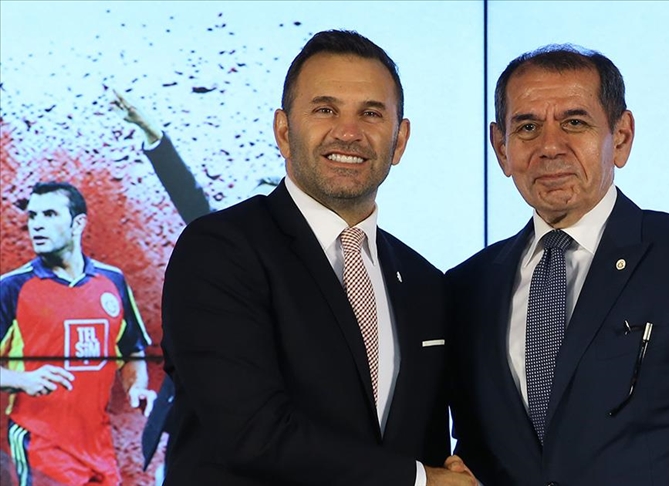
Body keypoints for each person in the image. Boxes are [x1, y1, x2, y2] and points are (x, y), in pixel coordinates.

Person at [447, 45, 669, 485]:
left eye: (574, 123)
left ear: (620, 137)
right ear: (501, 148)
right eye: (528, 127)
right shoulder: (467, 287)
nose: (549, 147)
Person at [160, 30, 475, 485]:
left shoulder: (425, 282)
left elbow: (426, 444)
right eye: (325, 109)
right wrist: (420, 480)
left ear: (400, 140)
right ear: (284, 131)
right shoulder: (219, 250)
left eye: (371, 113)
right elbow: (251, 433)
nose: (348, 132)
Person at [112, 89, 280, 471]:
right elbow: (191, 200)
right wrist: (155, 136)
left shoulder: (309, 286)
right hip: (192, 439)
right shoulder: (224, 258)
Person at [0, 181, 156, 485]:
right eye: (32, 216)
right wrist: (23, 380)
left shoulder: (112, 282)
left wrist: (136, 388)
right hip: (40, 445)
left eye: (49, 214)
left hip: (98, 447)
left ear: (78, 223)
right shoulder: (12, 288)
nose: (37, 225)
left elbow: (131, 351)